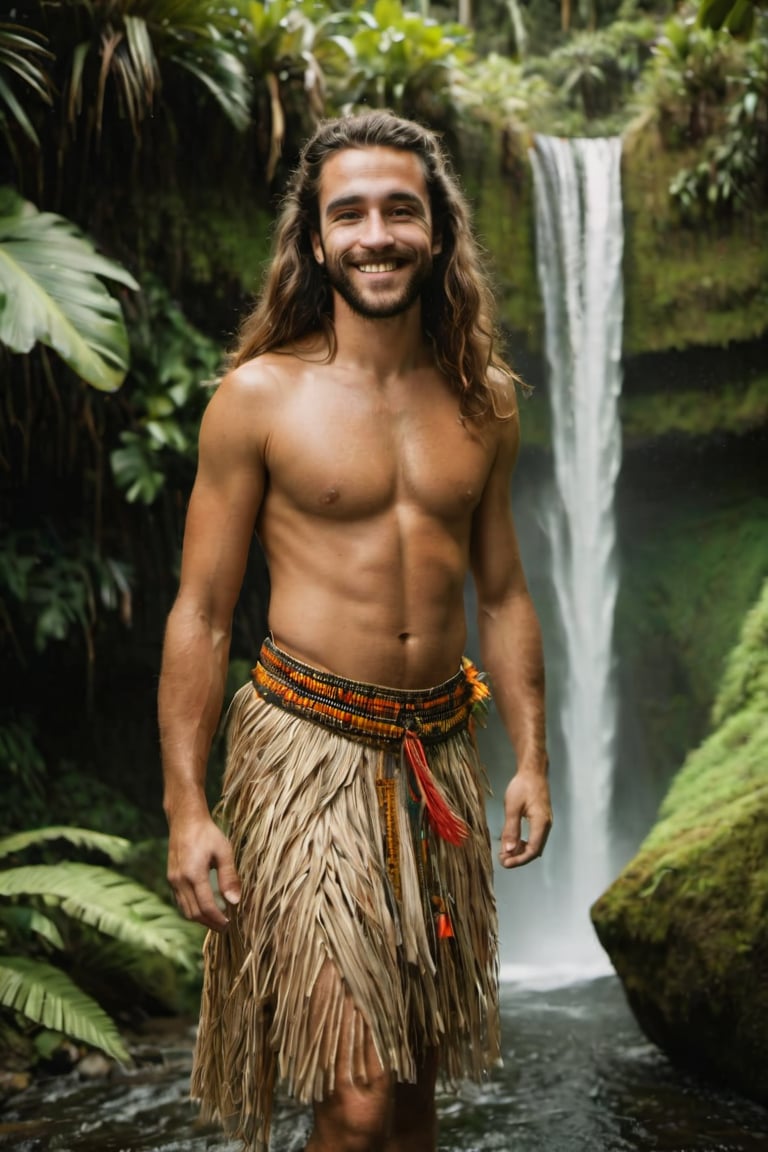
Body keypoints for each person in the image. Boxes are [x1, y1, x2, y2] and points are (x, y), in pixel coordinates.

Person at [158, 110, 552, 1152]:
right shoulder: (258, 399)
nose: (376, 234)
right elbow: (201, 612)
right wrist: (187, 806)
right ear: (315, 239)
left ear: (438, 231)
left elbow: (504, 592)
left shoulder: (486, 401)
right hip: (307, 758)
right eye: (350, 214)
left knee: (415, 1090)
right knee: (361, 1091)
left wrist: (533, 761)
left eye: (399, 210)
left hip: (440, 756)